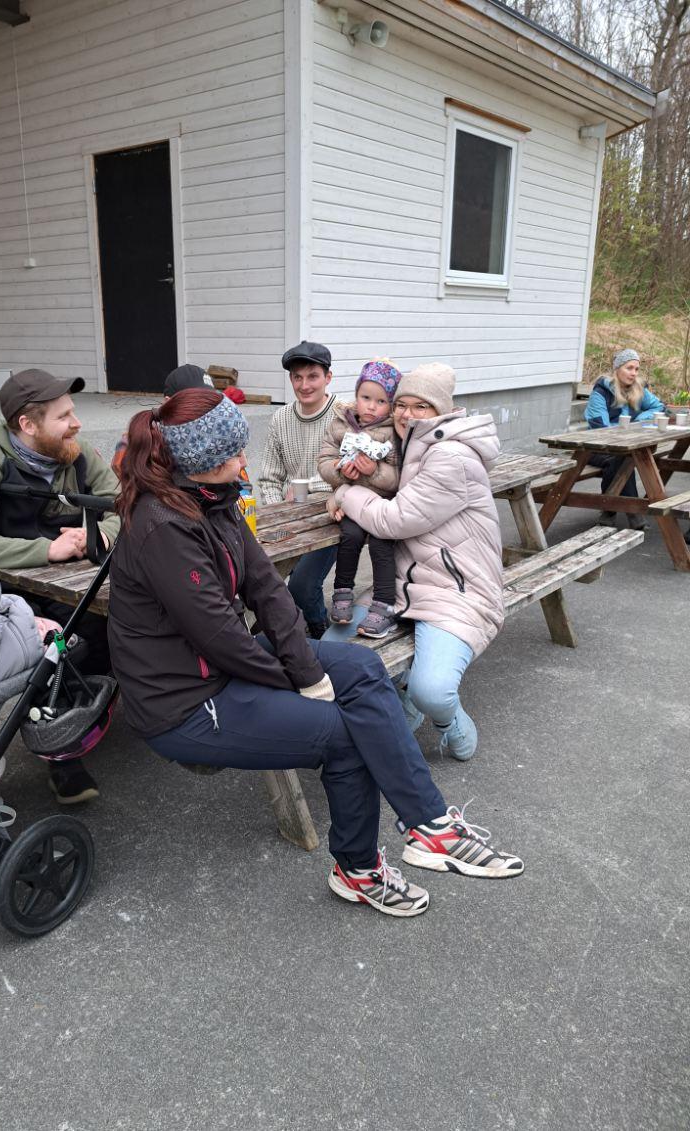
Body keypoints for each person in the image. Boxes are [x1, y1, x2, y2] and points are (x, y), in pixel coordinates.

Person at [106, 387, 523, 920]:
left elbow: (267, 588)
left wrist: (307, 668)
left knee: (363, 666)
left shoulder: (214, 497)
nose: (244, 459)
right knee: (344, 736)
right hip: (183, 699)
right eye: (234, 452)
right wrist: (302, 683)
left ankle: (429, 824)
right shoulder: (163, 525)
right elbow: (221, 638)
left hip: (215, 665)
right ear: (202, 460)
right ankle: (359, 870)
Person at [0, 368, 121, 803]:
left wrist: (102, 534)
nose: (76, 423)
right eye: (64, 416)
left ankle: (87, 714)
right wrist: (48, 550)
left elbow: (123, 504)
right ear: (28, 424)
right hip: (6, 591)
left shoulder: (77, 454)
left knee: (117, 620)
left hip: (74, 584)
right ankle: (61, 754)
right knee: (58, 643)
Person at [325, 363, 503, 765]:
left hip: (456, 590)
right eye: (401, 404)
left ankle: (449, 722)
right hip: (400, 586)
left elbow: (394, 519)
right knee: (332, 650)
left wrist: (344, 494)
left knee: (432, 690)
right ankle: (399, 702)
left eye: (421, 406)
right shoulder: (408, 447)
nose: (407, 414)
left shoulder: (452, 457)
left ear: (441, 411)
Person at [258, 341, 338, 638]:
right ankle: (285, 634)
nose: (304, 385)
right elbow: (269, 478)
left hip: (332, 514)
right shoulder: (281, 418)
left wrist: (307, 486)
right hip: (290, 517)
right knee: (263, 580)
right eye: (297, 377)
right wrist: (277, 516)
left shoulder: (344, 415)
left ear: (328, 377)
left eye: (312, 376)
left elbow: (353, 473)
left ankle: (319, 635)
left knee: (302, 586)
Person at [317, 359, 401, 638]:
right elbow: (324, 460)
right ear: (356, 395)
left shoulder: (393, 432)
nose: (371, 406)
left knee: (381, 543)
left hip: (381, 503)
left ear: (391, 405)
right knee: (350, 536)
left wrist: (374, 471)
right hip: (352, 502)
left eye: (381, 401)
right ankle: (342, 592)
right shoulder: (341, 423)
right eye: (366, 398)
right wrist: (339, 471)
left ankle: (384, 604)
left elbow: (399, 475)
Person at [584, 348, 665, 530]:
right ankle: (633, 513)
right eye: (629, 368)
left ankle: (609, 511)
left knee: (624, 458)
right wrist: (624, 430)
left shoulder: (637, 388)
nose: (634, 373)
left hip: (625, 447)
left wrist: (638, 421)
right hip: (596, 447)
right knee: (622, 459)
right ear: (617, 368)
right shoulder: (601, 392)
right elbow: (600, 427)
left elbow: (660, 407)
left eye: (636, 369)